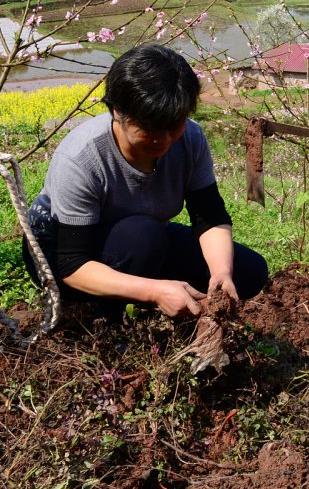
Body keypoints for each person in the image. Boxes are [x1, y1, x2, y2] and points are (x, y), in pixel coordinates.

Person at [25, 45, 268, 318]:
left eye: (174, 124)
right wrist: (154, 291)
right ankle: (107, 317)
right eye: (150, 127)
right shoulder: (82, 157)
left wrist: (221, 273)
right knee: (142, 238)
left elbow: (209, 216)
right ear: (117, 111)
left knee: (249, 271)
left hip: (137, 239)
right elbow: (70, 262)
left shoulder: (191, 139)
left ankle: (149, 284)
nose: (163, 139)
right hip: (64, 254)